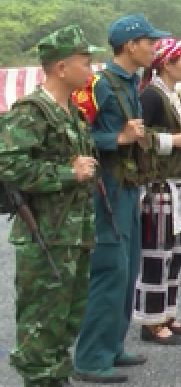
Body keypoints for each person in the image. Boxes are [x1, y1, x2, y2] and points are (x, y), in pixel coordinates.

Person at [0, 26, 102, 387]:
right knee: (40, 325)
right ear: (61, 67)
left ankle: (57, 379)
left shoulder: (70, 111)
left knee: (67, 319)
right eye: (86, 62)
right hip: (45, 234)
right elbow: (7, 164)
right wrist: (66, 173)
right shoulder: (31, 111)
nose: (91, 70)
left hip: (73, 233)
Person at [74, 14, 172, 384]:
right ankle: (90, 357)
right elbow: (78, 135)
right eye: (149, 41)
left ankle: (113, 345)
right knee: (109, 270)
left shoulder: (131, 82)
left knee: (128, 269)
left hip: (129, 187)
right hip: (106, 192)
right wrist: (116, 139)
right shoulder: (99, 83)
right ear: (130, 45)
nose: (155, 48)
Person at [133, 38, 181, 346]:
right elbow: (140, 136)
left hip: (179, 184)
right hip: (159, 186)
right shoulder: (152, 96)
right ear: (167, 64)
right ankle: (151, 320)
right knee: (156, 255)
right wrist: (173, 141)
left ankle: (168, 312)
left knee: (175, 253)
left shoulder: (173, 95)